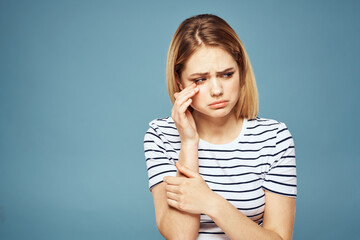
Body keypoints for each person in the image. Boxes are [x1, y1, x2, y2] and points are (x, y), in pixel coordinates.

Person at [143, 14, 297, 240]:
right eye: (200, 79)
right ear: (179, 81)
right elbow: (180, 236)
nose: (217, 90)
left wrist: (210, 202)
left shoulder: (274, 138)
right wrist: (188, 142)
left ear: (241, 70)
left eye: (226, 74)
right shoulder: (160, 136)